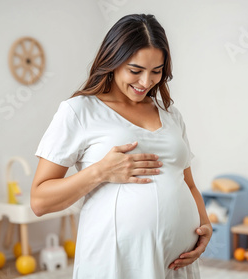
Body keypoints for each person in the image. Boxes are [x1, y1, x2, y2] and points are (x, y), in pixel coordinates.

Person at [31, 14, 211, 279]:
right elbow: (39, 200)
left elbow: (189, 184)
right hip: (117, 262)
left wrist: (204, 225)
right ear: (112, 61)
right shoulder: (79, 111)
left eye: (156, 71)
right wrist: (101, 172)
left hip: (177, 263)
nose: (146, 82)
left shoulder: (170, 114)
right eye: (135, 71)